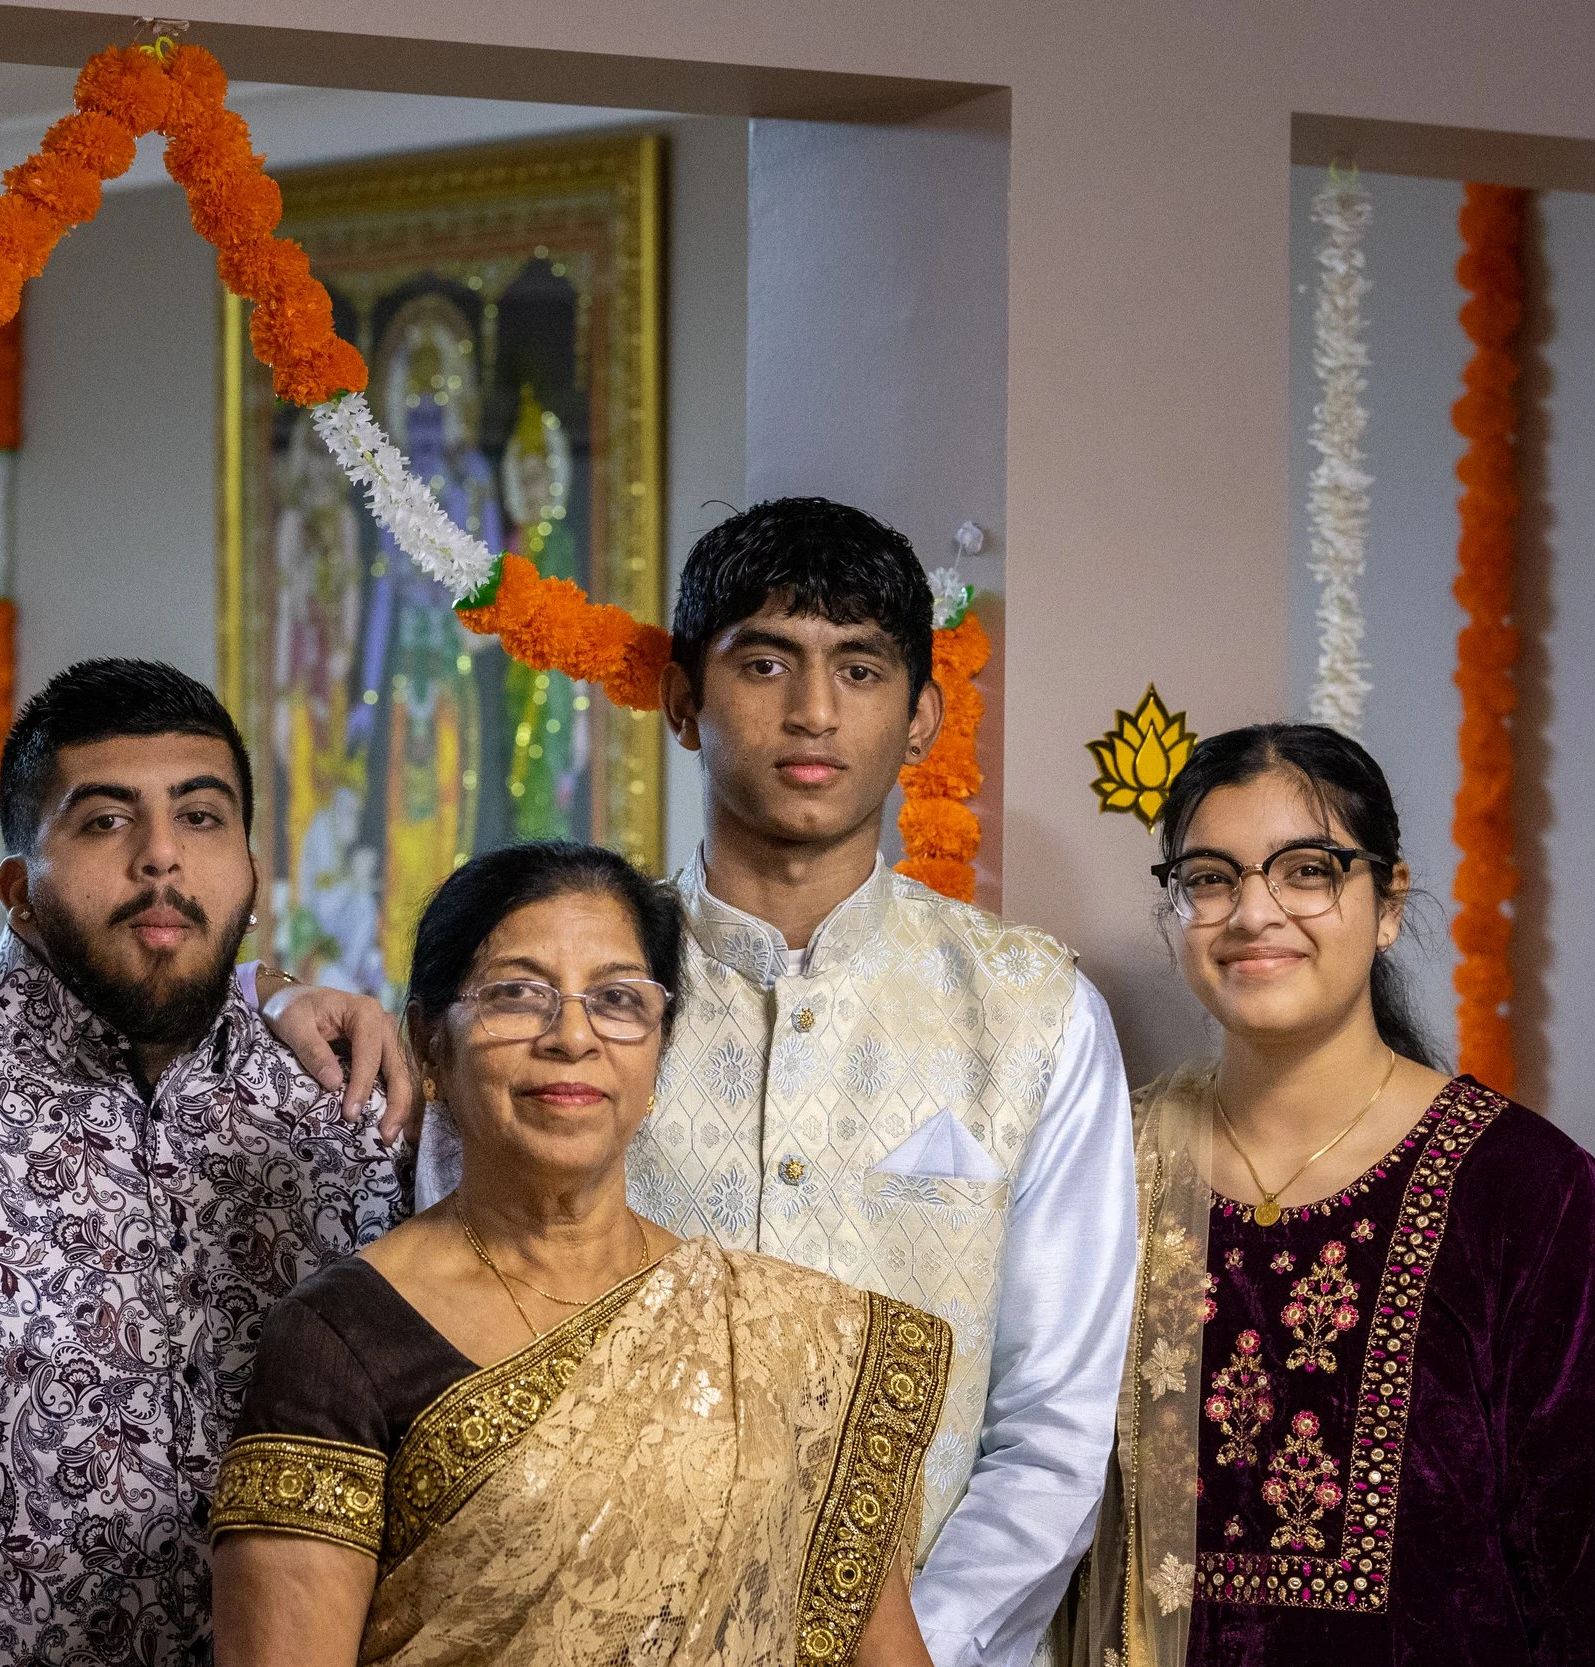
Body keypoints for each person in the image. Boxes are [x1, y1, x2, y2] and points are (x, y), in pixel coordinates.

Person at [417, 498, 1136, 1667]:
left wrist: (915, 1649)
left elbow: (1051, 1426)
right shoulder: (556, 998)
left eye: (859, 668)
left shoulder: (1030, 1012)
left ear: (921, 720)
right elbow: (454, 1319)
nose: (812, 709)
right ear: (685, 703)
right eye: (765, 662)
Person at [0, 659, 408, 1665]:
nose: (161, 860)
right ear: (17, 888)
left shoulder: (345, 1110)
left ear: (249, 867)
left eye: (201, 818)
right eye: (104, 821)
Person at [212, 841, 952, 1665]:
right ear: (429, 1044)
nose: (572, 1035)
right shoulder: (339, 1339)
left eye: (617, 998)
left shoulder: (783, 1337)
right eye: (518, 994)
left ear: (658, 1045)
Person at [1065, 724, 1595, 1666]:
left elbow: (1593, 1579)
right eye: (1211, 878)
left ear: (1388, 903)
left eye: (1307, 870)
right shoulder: (1100, 1163)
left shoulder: (1524, 1189)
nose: (1253, 912)